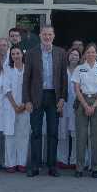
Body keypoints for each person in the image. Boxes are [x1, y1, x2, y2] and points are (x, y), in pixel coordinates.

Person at [22, 24, 68, 177]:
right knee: (36, 132)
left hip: (54, 96)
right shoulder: (31, 53)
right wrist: (27, 100)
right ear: (40, 36)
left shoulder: (61, 53)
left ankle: (52, 166)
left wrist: (62, 98)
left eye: (50, 34)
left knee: (53, 132)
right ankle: (35, 166)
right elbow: (26, 79)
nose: (47, 37)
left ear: (53, 36)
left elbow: (63, 78)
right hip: (36, 97)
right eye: (44, 34)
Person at [72, 43, 97, 178]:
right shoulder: (79, 69)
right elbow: (76, 88)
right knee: (81, 136)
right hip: (82, 100)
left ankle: (96, 167)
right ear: (85, 54)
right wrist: (85, 105)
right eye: (88, 52)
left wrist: (93, 106)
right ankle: (80, 167)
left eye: (93, 52)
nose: (91, 54)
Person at [4, 46, 30, 173]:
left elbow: (31, 88)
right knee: (10, 135)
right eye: (13, 54)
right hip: (11, 107)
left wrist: (24, 105)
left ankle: (22, 163)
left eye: (18, 53)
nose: (16, 56)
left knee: (23, 135)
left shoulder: (28, 69)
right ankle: (10, 163)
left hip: (25, 107)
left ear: (22, 54)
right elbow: (6, 90)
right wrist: (15, 106)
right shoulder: (8, 70)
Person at [57, 47, 80, 170]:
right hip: (63, 105)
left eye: (76, 55)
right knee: (63, 133)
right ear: (68, 56)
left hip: (77, 106)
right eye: (72, 54)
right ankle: (62, 159)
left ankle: (75, 160)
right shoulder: (62, 70)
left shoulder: (82, 70)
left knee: (76, 134)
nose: (74, 57)